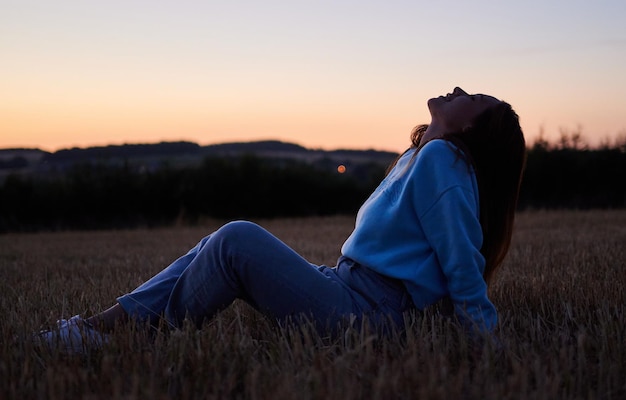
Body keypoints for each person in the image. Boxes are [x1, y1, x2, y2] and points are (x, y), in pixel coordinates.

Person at [36, 87, 527, 353]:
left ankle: (131, 338)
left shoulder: (445, 161)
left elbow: (462, 260)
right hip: (349, 288)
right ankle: (102, 327)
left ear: (470, 127)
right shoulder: (422, 154)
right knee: (219, 243)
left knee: (236, 239)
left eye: (475, 97)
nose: (460, 88)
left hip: (371, 315)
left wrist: (488, 342)